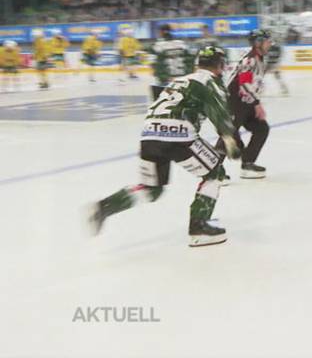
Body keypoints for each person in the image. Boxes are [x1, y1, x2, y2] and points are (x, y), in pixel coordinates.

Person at [87, 46, 242, 247]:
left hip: (149, 134)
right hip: (179, 134)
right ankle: (199, 226)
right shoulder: (210, 82)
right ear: (221, 65)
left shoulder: (180, 80)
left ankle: (105, 207)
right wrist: (230, 140)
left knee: (152, 189)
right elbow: (219, 114)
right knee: (214, 174)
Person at [216, 29, 271, 179]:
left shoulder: (259, 59)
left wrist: (254, 104)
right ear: (258, 43)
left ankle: (247, 163)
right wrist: (257, 103)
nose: (270, 44)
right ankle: (213, 172)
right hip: (233, 102)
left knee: (261, 128)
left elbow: (252, 85)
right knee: (228, 137)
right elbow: (244, 83)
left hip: (245, 103)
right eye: (267, 41)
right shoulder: (250, 59)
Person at [148, 24, 194, 101]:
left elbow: (154, 64)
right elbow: (191, 60)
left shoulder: (156, 46)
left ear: (161, 32)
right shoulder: (182, 44)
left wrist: (162, 77)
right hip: (184, 79)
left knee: (164, 106)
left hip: (167, 81)